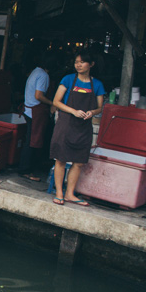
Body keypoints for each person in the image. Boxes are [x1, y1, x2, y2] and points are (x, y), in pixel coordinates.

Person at [50, 51, 106, 206]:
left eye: (82, 62)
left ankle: (70, 193)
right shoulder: (68, 79)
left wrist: (92, 112)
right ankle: (60, 192)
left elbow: (100, 107)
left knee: (79, 161)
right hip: (66, 123)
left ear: (91, 64)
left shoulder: (98, 85)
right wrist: (73, 111)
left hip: (84, 126)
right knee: (60, 158)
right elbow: (56, 101)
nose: (78, 65)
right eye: (76, 62)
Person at [18, 54, 55, 181]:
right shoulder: (44, 75)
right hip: (35, 111)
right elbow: (39, 95)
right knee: (32, 141)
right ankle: (25, 170)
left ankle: (27, 167)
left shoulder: (35, 71)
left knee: (30, 140)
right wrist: (52, 103)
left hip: (29, 110)